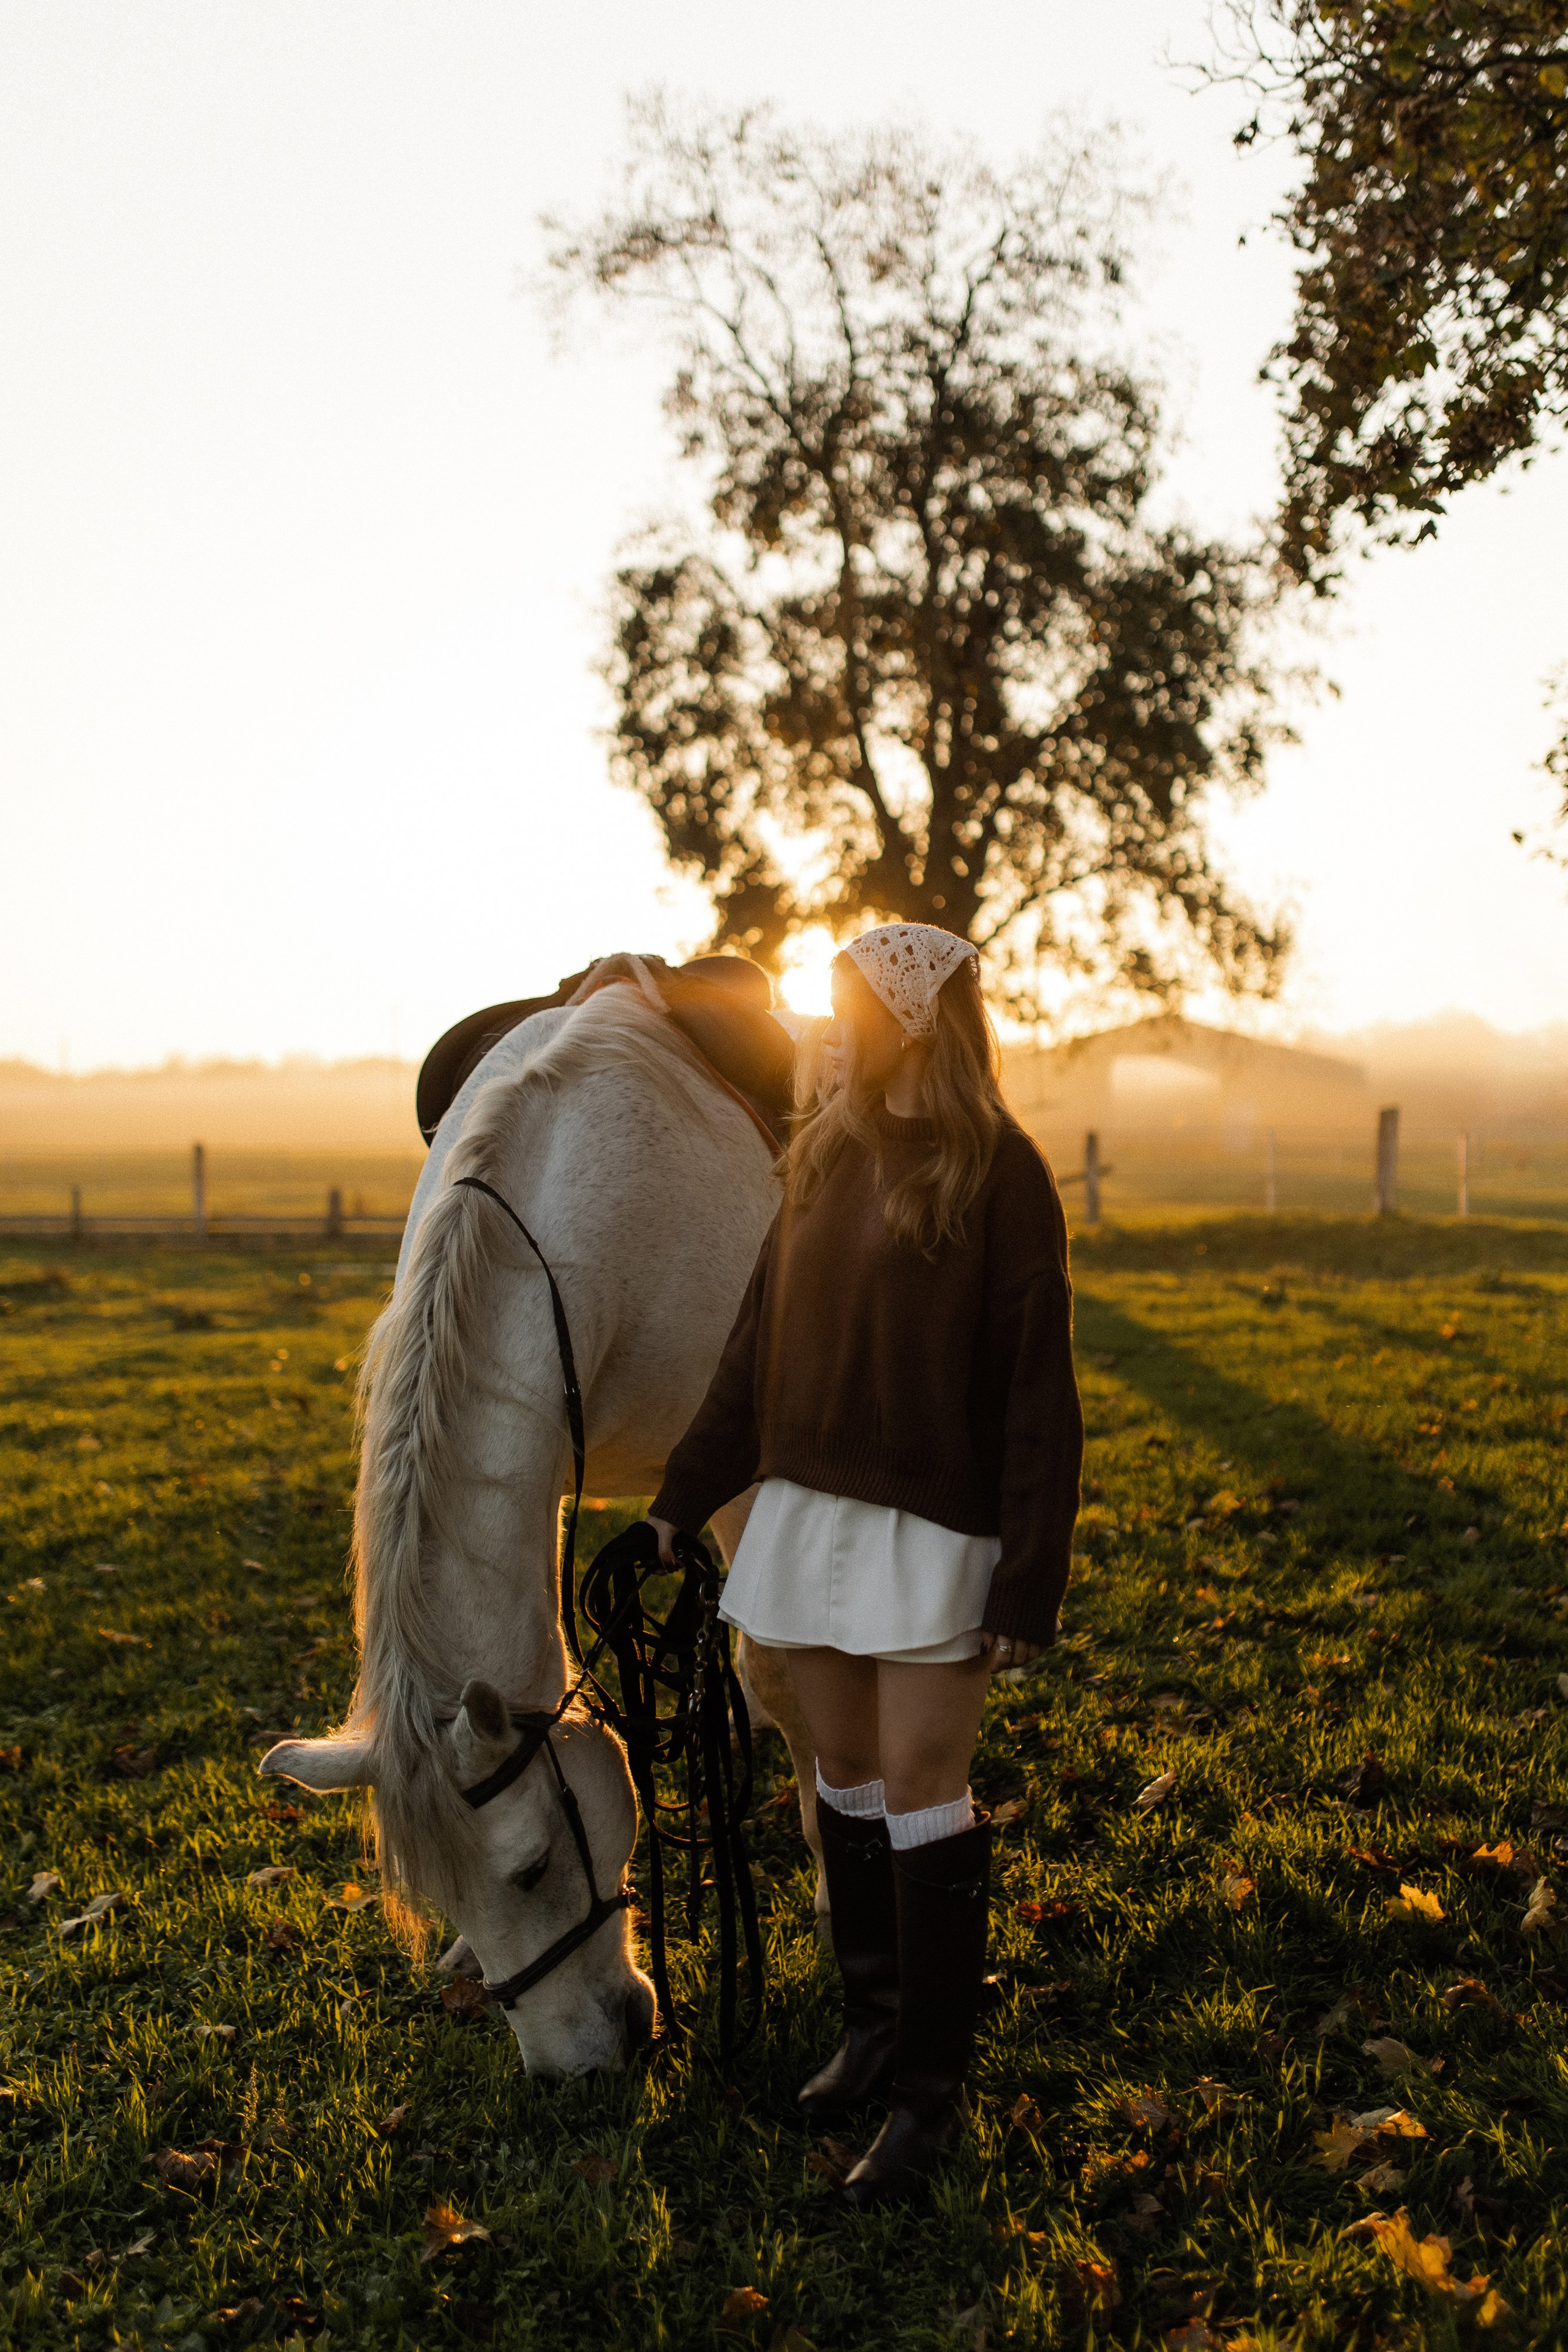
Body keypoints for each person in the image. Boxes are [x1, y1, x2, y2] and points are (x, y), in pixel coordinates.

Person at [649, 921, 1082, 2206]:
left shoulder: (1000, 1174)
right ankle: (873, 2035)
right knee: (839, 1772)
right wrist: (683, 1493)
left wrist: (1026, 1578)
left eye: (852, 1004)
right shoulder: (821, 1155)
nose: (832, 1027)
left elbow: (1034, 1393)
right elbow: (751, 1345)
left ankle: (926, 2103)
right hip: (808, 1508)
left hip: (937, 1531)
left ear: (918, 1017)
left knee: (919, 1785)